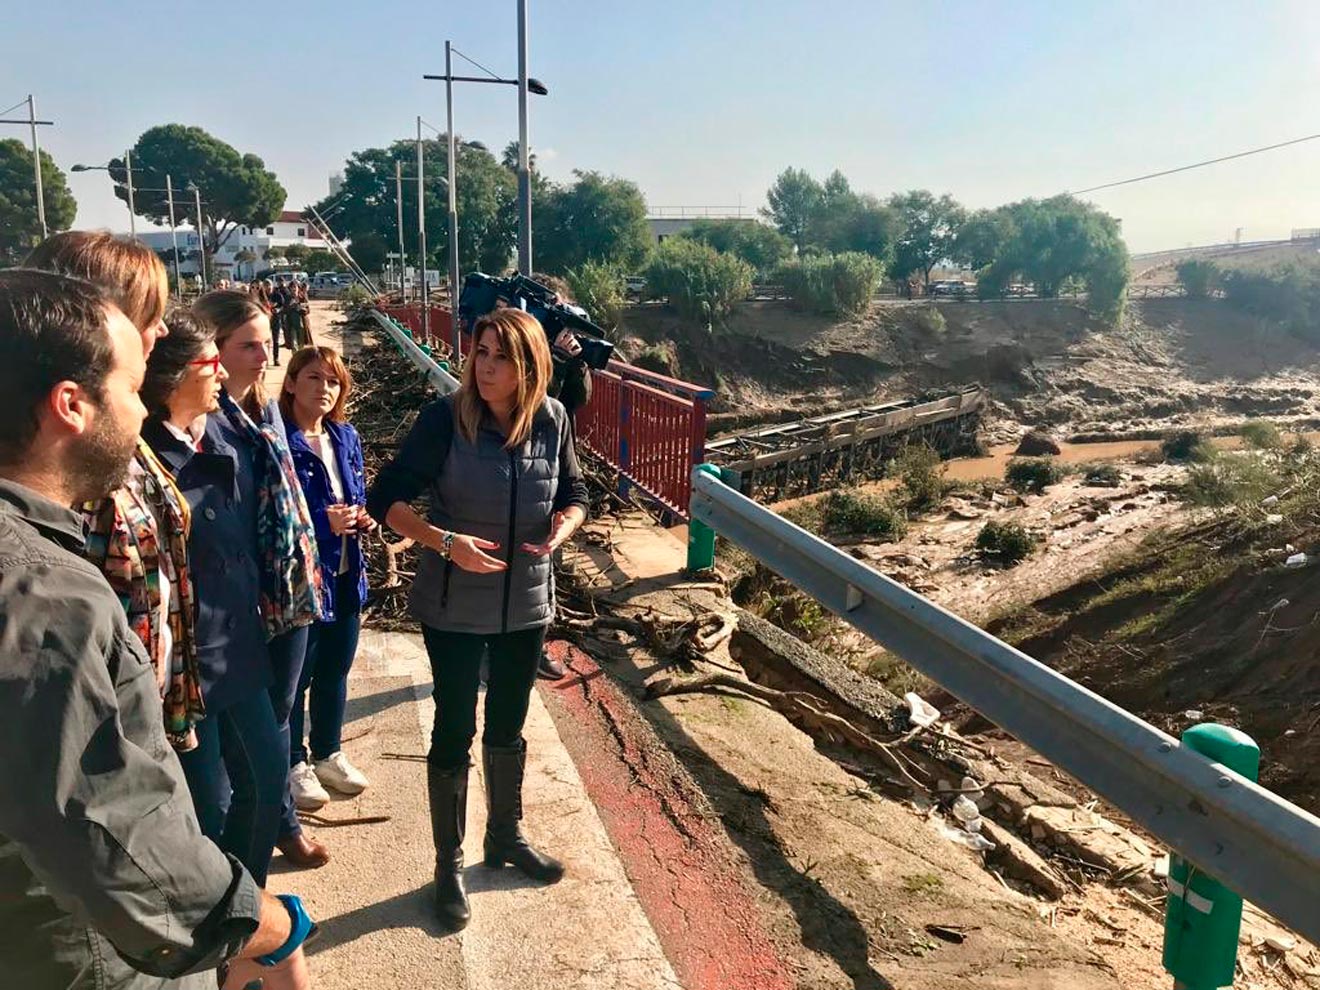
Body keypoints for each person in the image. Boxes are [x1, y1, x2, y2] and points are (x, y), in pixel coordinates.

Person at [0, 269, 314, 990]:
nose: (141, 412)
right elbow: (104, 830)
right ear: (71, 405)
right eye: (130, 387)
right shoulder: (45, 595)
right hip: (81, 954)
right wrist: (265, 926)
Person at [368, 307, 589, 931]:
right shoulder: (445, 419)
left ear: (530, 368)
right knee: (454, 728)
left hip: (526, 602)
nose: (484, 368)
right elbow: (385, 498)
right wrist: (444, 542)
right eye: (480, 352)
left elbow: (575, 494)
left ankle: (505, 836)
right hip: (454, 605)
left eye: (501, 358)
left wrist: (565, 527)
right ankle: (449, 864)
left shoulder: (553, 419)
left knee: (509, 724)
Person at [146, 290, 326, 881]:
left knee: (268, 776)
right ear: (175, 374)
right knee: (208, 807)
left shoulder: (228, 434)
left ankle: (246, 903)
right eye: (214, 361)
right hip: (188, 665)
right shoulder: (145, 461)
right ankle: (224, 919)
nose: (225, 373)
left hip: (241, 642)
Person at [24, 231, 210, 751]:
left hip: (148, 707)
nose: (162, 329)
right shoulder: (61, 455)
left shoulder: (124, 432)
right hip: (103, 736)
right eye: (150, 314)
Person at [280, 346, 373, 812]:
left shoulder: (344, 436)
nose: (324, 388)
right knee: (297, 677)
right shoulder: (280, 440)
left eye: (333, 381)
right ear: (292, 383)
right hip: (303, 580)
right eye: (314, 378)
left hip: (346, 573)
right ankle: (293, 763)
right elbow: (275, 512)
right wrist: (323, 521)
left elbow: (356, 494)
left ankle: (327, 753)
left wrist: (362, 518)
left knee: (336, 668)